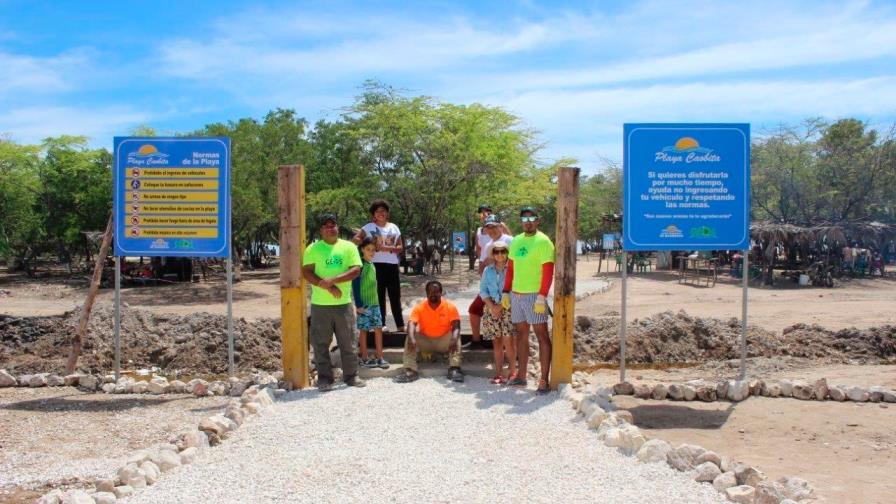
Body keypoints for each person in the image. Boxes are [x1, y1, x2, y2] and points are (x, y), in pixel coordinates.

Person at [302, 213, 366, 391]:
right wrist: (329, 287)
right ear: (321, 230)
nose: (330, 228)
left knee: (348, 342)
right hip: (320, 305)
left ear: (337, 227)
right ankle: (324, 378)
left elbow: (355, 271)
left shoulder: (348, 247)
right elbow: (307, 272)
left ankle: (351, 376)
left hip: (344, 304)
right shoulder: (312, 249)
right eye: (326, 226)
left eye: (333, 225)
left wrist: (333, 280)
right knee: (320, 343)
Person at [501, 206, 555, 394]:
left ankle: (543, 380)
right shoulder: (516, 241)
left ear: (538, 221)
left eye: (532, 219)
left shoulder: (544, 242)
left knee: (542, 336)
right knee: (521, 335)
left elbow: (548, 272)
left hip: (534, 295)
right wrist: (506, 291)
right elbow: (511, 269)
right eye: (524, 219)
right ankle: (522, 376)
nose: (528, 222)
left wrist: (542, 295)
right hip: (516, 294)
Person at [394, 280, 465, 383]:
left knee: (456, 336)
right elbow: (411, 324)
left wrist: (453, 339)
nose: (433, 294)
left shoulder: (450, 307)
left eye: (436, 292)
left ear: (441, 292)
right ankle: (410, 370)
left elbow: (456, 326)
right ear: (426, 293)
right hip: (425, 340)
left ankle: (454, 368)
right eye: (430, 292)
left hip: (443, 341)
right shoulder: (419, 307)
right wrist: (412, 338)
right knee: (410, 336)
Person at [352, 200, 405, 332]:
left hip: (392, 266)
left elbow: (400, 247)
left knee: (395, 295)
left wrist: (386, 248)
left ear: (387, 213)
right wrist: (369, 242)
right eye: (377, 211)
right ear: (373, 214)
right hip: (374, 266)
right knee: (379, 295)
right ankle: (381, 324)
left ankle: (400, 324)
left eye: (383, 211)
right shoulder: (368, 227)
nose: (381, 213)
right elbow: (355, 240)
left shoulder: (394, 227)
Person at [468, 208, 513, 348]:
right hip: (491, 287)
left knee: (513, 321)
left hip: (510, 289)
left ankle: (514, 354)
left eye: (494, 226)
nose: (491, 230)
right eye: (488, 227)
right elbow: (482, 267)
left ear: (500, 226)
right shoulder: (487, 245)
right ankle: (476, 341)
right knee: (474, 309)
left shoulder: (511, 240)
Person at [479, 241, 516, 385]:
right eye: (496, 251)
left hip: (508, 308)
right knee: (497, 343)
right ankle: (499, 373)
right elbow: (483, 290)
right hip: (491, 308)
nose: (499, 254)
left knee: (509, 341)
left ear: (507, 253)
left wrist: (500, 307)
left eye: (502, 251)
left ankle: (513, 373)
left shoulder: (512, 270)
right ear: (493, 254)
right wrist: (492, 307)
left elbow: (514, 289)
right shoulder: (487, 271)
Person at [353, 237, 388, 369]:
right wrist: (358, 305)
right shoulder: (360, 265)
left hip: (375, 304)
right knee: (364, 330)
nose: (371, 252)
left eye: (373, 250)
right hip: (364, 306)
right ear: (362, 249)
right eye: (368, 249)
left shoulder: (372, 265)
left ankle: (380, 357)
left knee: (378, 329)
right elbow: (355, 285)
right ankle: (365, 358)